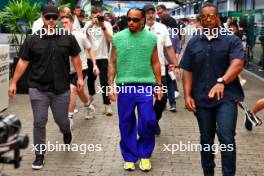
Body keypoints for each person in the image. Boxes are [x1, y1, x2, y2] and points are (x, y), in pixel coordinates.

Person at [8, 4, 84, 170]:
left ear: (58, 18)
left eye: (54, 17)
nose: (50, 20)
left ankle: (66, 131)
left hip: (61, 88)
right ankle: (39, 155)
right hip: (38, 88)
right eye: (47, 17)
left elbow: (76, 58)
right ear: (42, 17)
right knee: (39, 121)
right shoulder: (32, 39)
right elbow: (23, 61)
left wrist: (79, 77)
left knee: (61, 120)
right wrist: (14, 82)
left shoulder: (67, 37)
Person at [180, 3, 244, 176]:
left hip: (227, 98)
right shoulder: (193, 42)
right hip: (201, 99)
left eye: (212, 16)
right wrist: (187, 95)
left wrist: (222, 81)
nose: (208, 19)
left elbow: (237, 63)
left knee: (226, 137)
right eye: (204, 16)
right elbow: (187, 69)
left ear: (218, 17)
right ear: (200, 19)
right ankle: (208, 173)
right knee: (206, 139)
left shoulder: (231, 39)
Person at [108, 8, 162, 172]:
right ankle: (130, 157)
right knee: (126, 122)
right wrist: (110, 86)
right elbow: (112, 62)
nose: (131, 22)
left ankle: (144, 155)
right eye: (128, 19)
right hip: (125, 86)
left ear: (143, 20)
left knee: (148, 121)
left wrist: (159, 86)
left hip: (145, 85)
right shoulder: (117, 38)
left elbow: (155, 62)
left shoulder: (151, 38)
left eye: (135, 20)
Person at [144, 4, 180, 135]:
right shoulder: (139, 29)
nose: (150, 15)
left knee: (162, 98)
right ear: (143, 15)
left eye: (152, 12)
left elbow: (169, 48)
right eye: (147, 13)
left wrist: (176, 65)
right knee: (145, 100)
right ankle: (147, 125)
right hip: (143, 72)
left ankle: (154, 120)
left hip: (161, 71)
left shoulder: (162, 28)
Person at [61, 14, 100, 129]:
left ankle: (69, 118)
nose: (63, 25)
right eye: (62, 23)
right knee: (79, 91)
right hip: (66, 70)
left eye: (66, 22)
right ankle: (89, 106)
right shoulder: (58, 36)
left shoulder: (80, 35)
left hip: (81, 68)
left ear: (72, 22)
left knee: (72, 89)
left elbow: (90, 49)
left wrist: (94, 64)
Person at [84, 7, 113, 116]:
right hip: (90, 57)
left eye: (98, 15)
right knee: (90, 80)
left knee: (104, 82)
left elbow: (110, 39)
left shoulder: (106, 24)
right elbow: (83, 37)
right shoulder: (88, 24)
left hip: (103, 57)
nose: (96, 17)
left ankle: (107, 106)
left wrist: (103, 26)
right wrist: (91, 24)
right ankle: (91, 94)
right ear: (91, 15)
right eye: (94, 15)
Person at [160, 13, 181, 112]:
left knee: (162, 84)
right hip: (172, 64)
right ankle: (173, 104)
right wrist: (174, 63)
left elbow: (159, 50)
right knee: (171, 84)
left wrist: (167, 62)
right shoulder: (175, 33)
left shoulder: (160, 32)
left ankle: (162, 104)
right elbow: (177, 50)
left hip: (162, 63)